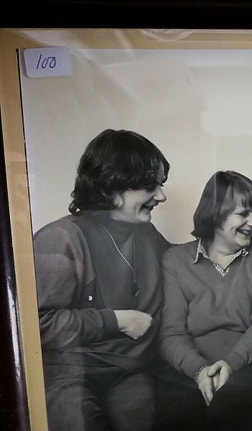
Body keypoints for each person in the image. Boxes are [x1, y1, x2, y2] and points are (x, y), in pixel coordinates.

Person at [33, 129, 172, 431]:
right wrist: (117, 321)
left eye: (161, 185)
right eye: (150, 186)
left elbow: (182, 264)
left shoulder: (145, 233)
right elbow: (37, 325)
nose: (161, 196)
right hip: (67, 373)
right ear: (111, 189)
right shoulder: (60, 239)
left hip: (128, 372)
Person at [153, 170, 252, 431]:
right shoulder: (175, 260)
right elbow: (170, 333)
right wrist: (200, 371)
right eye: (244, 213)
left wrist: (231, 364)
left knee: (226, 410)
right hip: (190, 369)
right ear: (215, 213)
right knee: (177, 416)